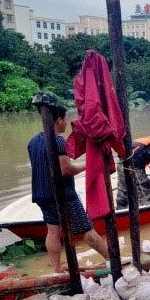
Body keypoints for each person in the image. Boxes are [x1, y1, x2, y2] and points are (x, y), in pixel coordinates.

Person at [27, 104, 109, 273]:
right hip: (63, 195)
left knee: (53, 232)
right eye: (65, 119)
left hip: (42, 193)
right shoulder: (57, 140)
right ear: (58, 120)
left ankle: (56, 270)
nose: (66, 123)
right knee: (87, 230)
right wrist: (89, 165)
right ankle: (112, 259)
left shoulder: (33, 142)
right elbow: (66, 169)